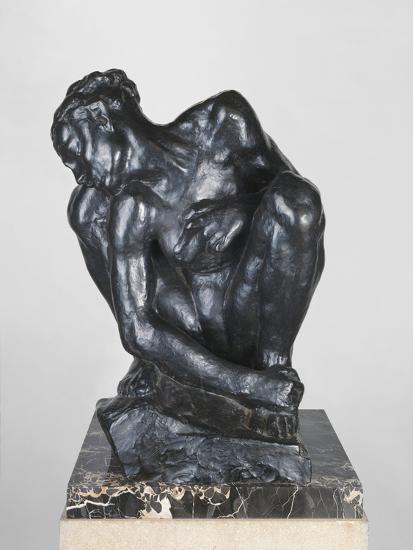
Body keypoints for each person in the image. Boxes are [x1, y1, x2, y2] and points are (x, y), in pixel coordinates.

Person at [51, 69, 325, 439]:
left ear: (103, 120)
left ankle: (275, 366)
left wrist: (239, 213)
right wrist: (249, 387)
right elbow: (137, 328)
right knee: (86, 207)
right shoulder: (132, 206)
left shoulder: (223, 122)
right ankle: (163, 367)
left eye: (77, 155)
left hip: (251, 310)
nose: (80, 175)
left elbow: (298, 203)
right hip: (193, 328)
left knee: (296, 201)